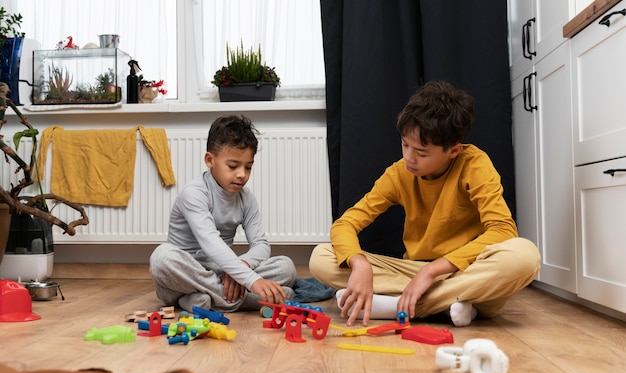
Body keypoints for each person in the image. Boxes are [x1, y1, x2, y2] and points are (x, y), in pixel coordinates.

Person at [309, 81, 540, 327]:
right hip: (416, 272)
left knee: (525, 256)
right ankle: (448, 304)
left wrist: (431, 272)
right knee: (321, 257)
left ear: (453, 150)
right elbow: (346, 223)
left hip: (466, 271)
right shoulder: (399, 174)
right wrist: (359, 263)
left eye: (421, 152)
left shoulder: (474, 165)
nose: (408, 157)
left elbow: (503, 230)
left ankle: (398, 305)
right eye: (405, 144)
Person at [150, 115, 296, 313]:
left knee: (286, 267)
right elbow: (211, 243)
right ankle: (247, 299)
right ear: (210, 160)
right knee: (161, 258)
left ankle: (200, 300)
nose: (242, 174)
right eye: (233, 166)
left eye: (248, 167)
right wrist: (251, 280)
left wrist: (241, 268)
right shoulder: (194, 193)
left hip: (223, 269)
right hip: (187, 272)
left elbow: (261, 245)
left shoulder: (246, 198)